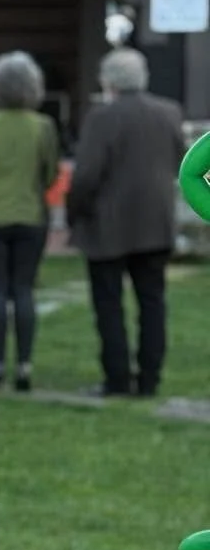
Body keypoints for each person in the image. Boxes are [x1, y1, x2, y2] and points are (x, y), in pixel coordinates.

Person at [67, 46, 184, 398]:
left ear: (108, 81)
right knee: (152, 302)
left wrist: (77, 213)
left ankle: (117, 379)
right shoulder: (169, 112)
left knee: (109, 304)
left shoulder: (102, 118)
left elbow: (86, 176)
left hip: (108, 226)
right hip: (155, 222)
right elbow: (183, 158)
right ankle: (150, 379)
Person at [0, 51, 61, 392]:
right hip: (31, 214)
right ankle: (23, 365)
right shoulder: (43, 126)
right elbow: (50, 173)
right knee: (23, 288)